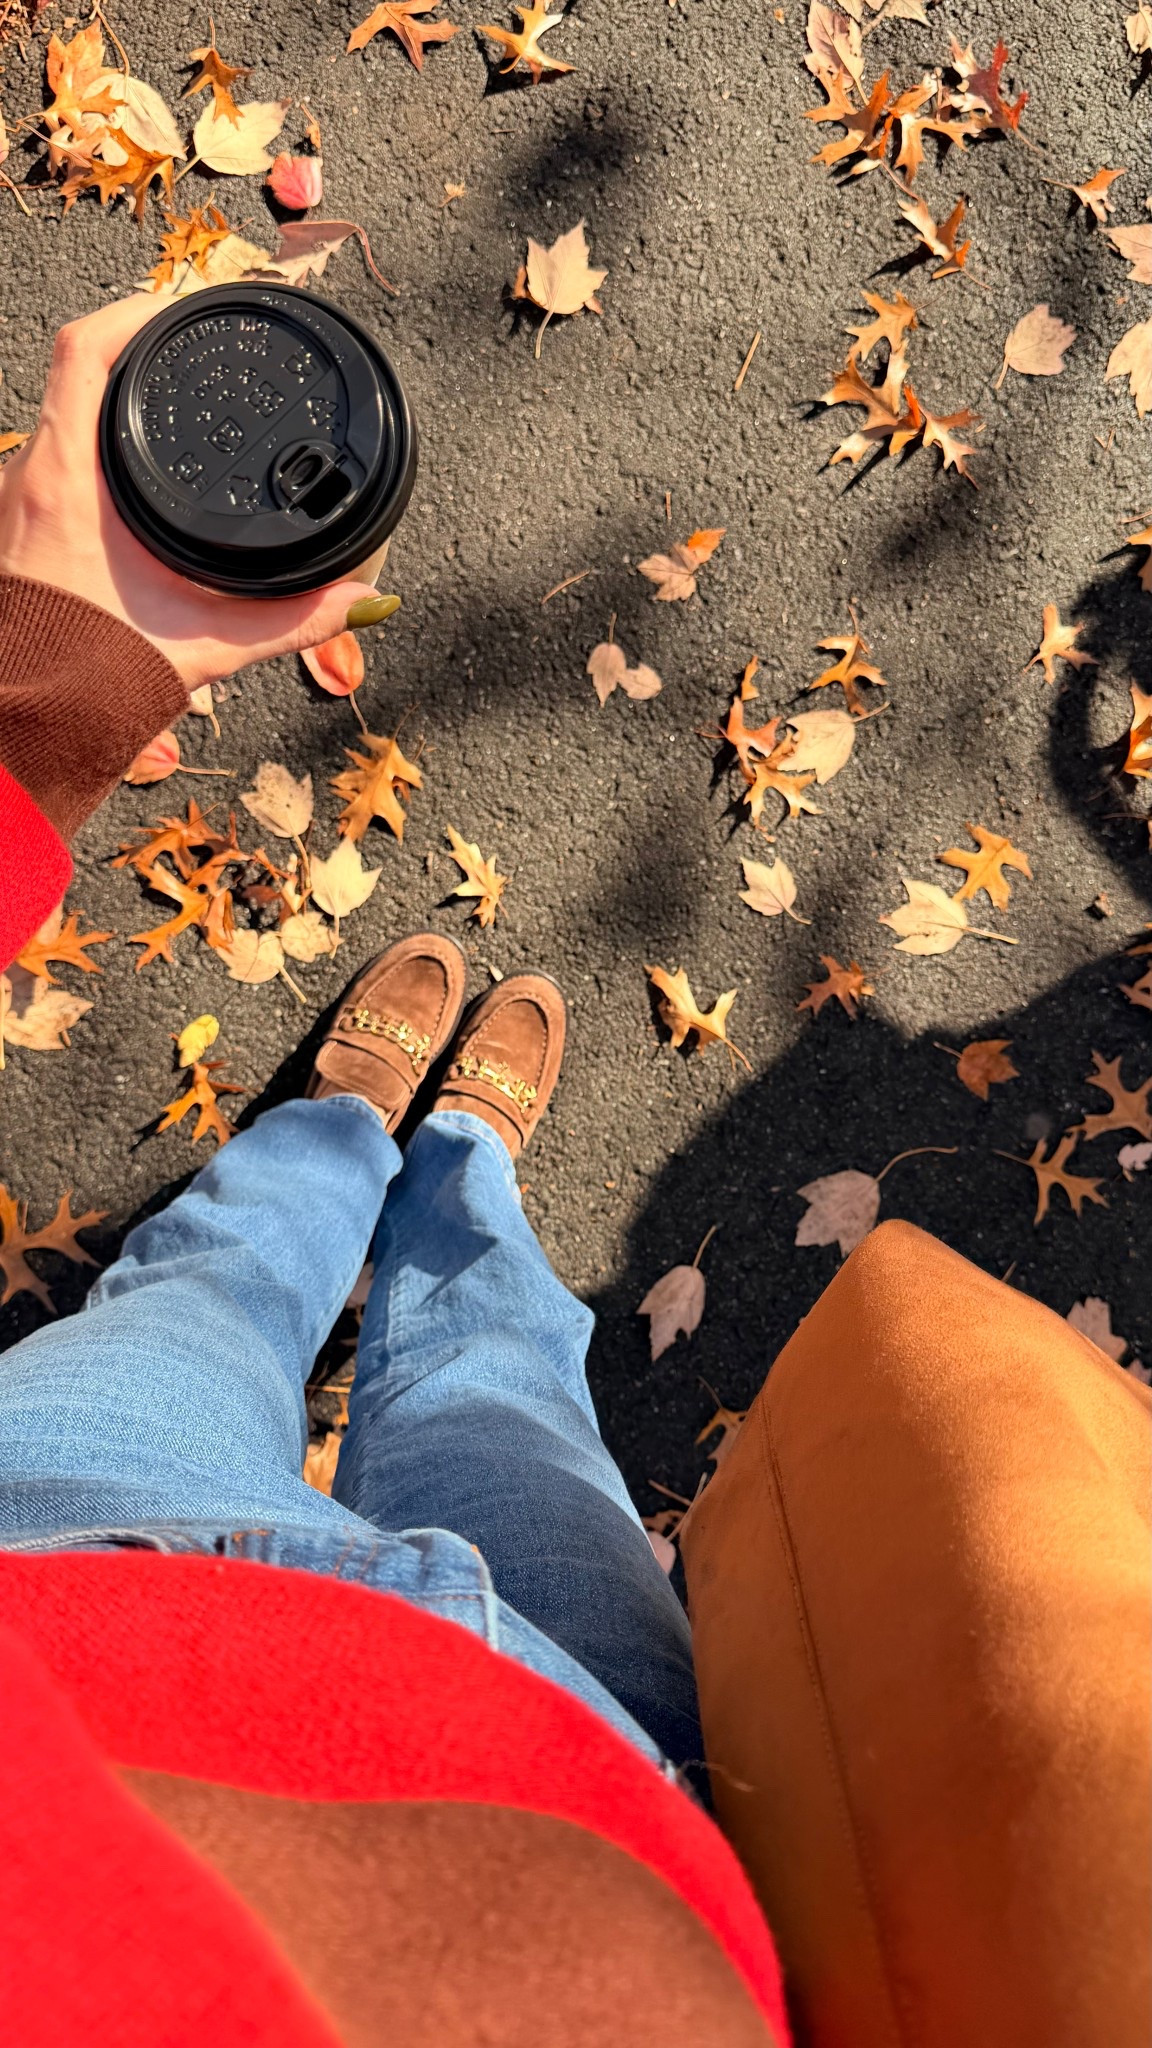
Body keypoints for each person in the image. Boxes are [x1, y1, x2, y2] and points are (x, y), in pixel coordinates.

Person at [1, 299, 1149, 2048]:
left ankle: (339, 1133)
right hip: (595, 1751)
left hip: (70, 1560)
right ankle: (454, 1163)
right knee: (503, 1375)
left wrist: (52, 691)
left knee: (210, 1284)